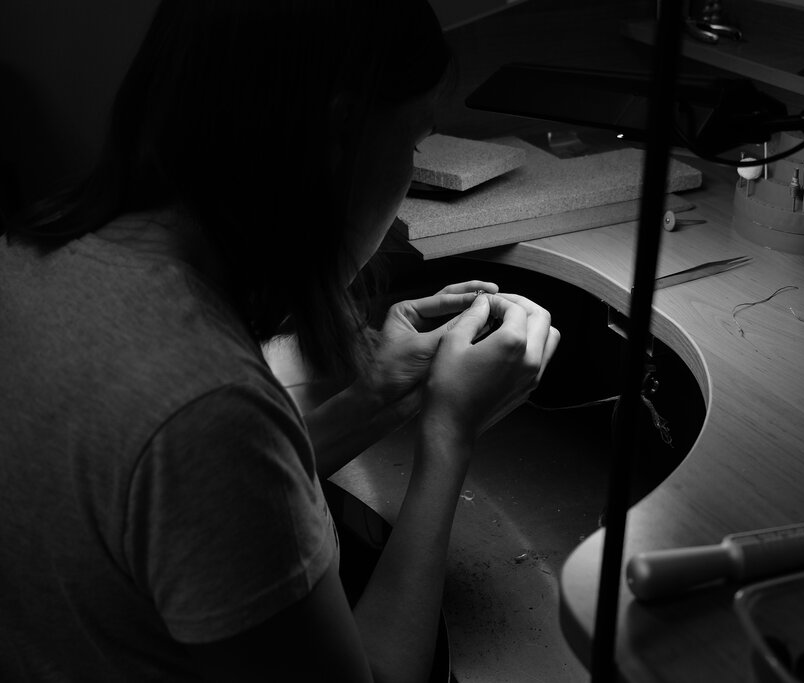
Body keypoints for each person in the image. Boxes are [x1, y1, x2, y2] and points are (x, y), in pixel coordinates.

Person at [0, 1, 559, 681]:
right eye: (412, 145)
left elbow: (191, 515)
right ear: (339, 134)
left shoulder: (27, 259)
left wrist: (379, 394)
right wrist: (449, 434)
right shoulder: (209, 409)